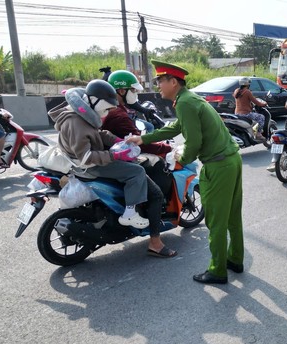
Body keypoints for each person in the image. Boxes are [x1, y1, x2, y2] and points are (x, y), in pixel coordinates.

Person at [127, 60, 243, 285]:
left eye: (160, 81)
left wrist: (182, 158)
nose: (158, 85)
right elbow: (176, 127)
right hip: (231, 160)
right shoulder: (190, 99)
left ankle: (217, 270)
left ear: (173, 82)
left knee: (216, 221)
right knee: (232, 217)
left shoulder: (185, 103)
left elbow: (194, 142)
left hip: (218, 166)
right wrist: (143, 138)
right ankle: (235, 259)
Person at [48, 80, 177, 257]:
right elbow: (85, 157)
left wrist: (116, 141)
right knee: (148, 184)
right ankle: (148, 235)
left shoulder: (79, 116)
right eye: (107, 108)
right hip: (90, 167)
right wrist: (115, 155)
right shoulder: (77, 122)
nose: (108, 112)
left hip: (83, 165)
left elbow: (97, 134)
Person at [102, 70, 173, 198]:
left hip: (108, 156)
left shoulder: (113, 109)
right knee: (158, 165)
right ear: (122, 91)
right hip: (115, 160)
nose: (136, 94)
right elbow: (140, 144)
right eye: (133, 91)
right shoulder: (118, 115)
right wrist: (167, 148)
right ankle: (157, 208)